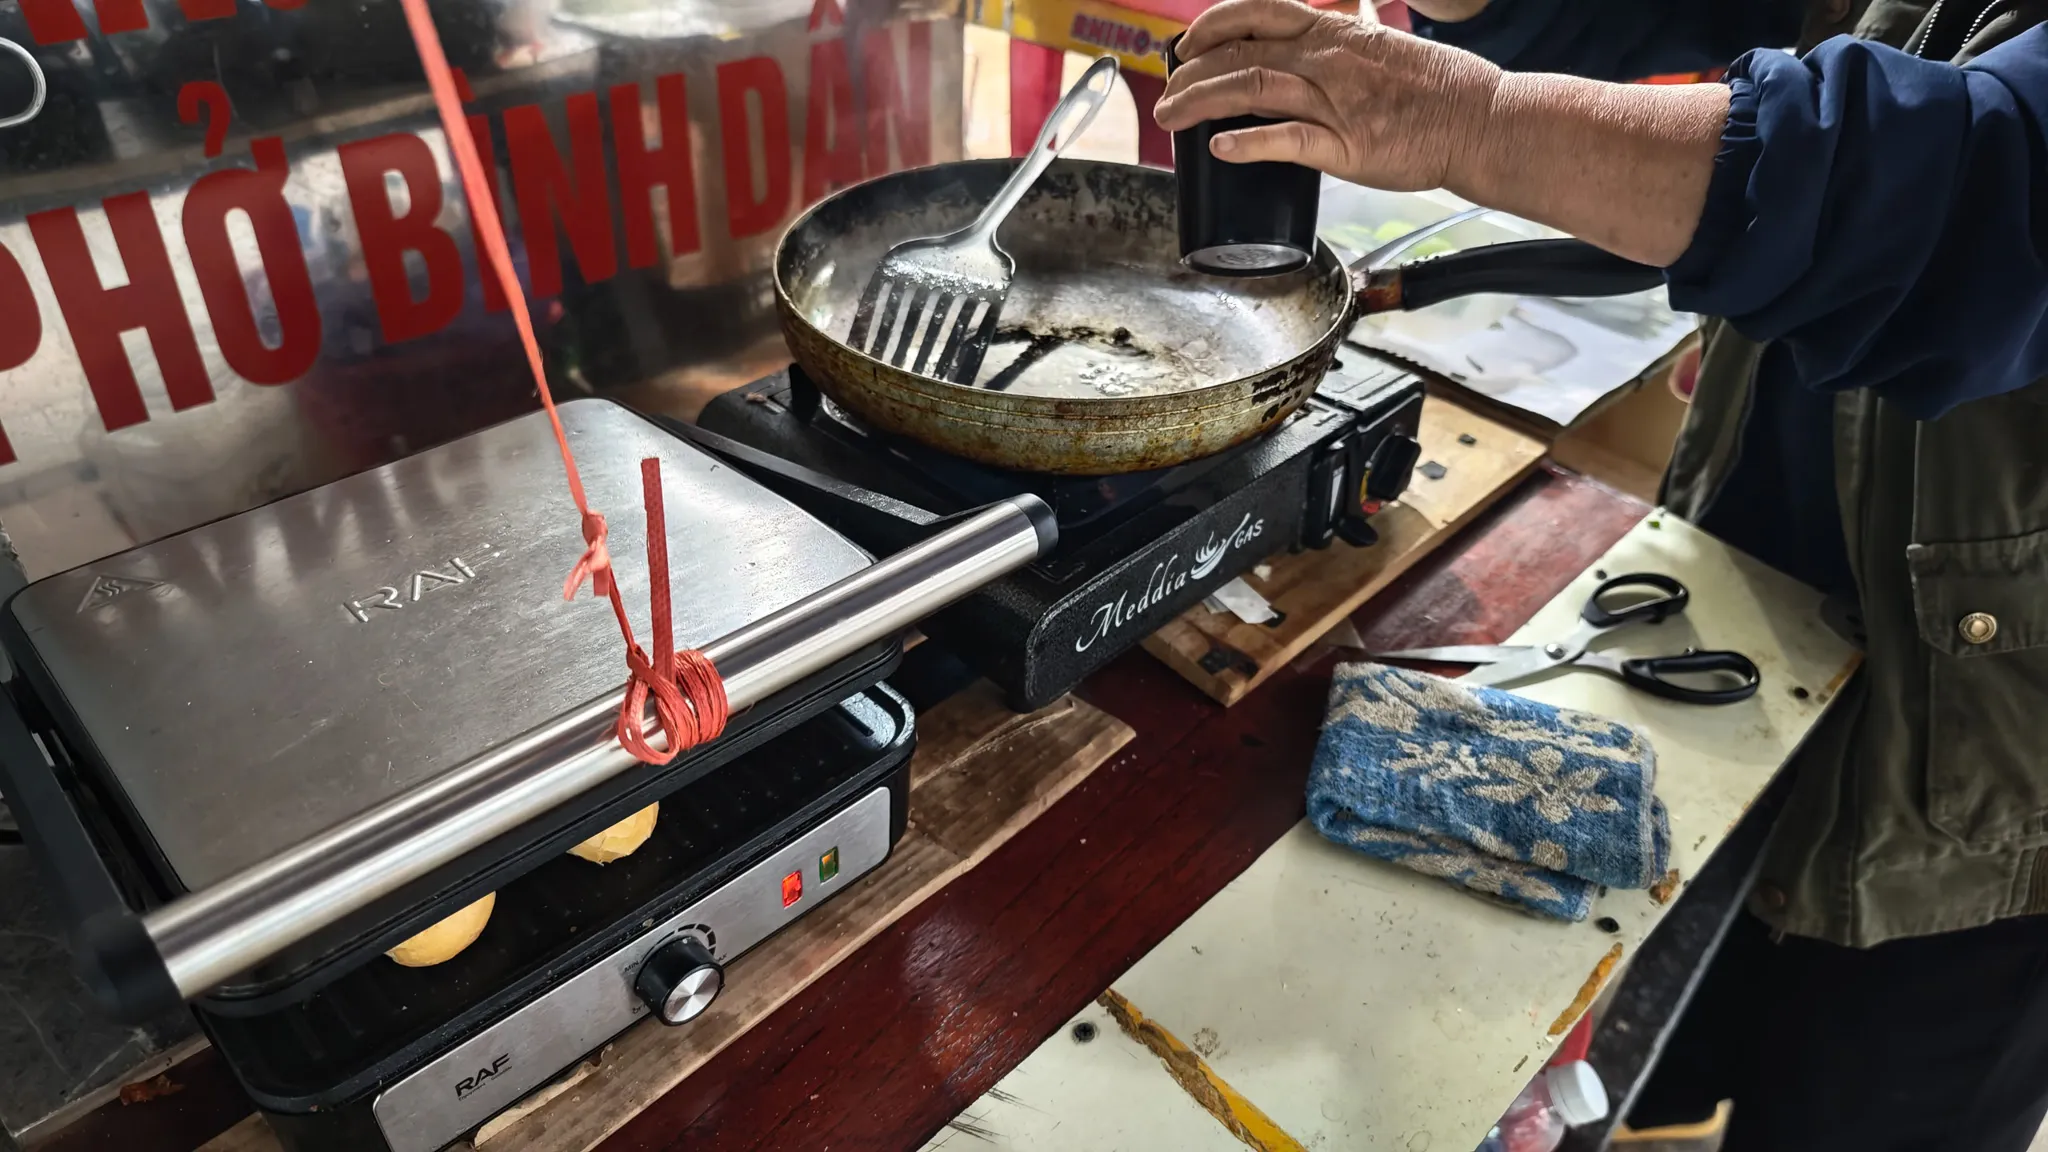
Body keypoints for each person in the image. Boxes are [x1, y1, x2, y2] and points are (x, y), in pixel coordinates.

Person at [1154, 1, 2048, 1149]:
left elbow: (1981, 184)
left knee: (1871, 1096)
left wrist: (1466, 114)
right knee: (1670, 1005)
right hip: (1772, 575)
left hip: (1999, 750)